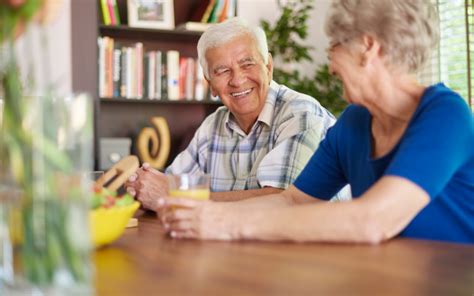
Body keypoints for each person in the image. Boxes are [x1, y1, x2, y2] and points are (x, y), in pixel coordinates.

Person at [157, 0, 474, 244]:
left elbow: (373, 220)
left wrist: (227, 224)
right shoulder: (353, 122)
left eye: (335, 43)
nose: (330, 59)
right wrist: (204, 216)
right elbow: (292, 201)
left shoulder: (445, 115)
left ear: (367, 47)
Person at [125, 18, 336, 209]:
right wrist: (145, 187)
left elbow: (286, 202)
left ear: (268, 67)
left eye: (247, 64)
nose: (237, 79)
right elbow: (172, 183)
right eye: (222, 71)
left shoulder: (300, 113)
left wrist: (173, 196)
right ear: (211, 85)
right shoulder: (212, 126)